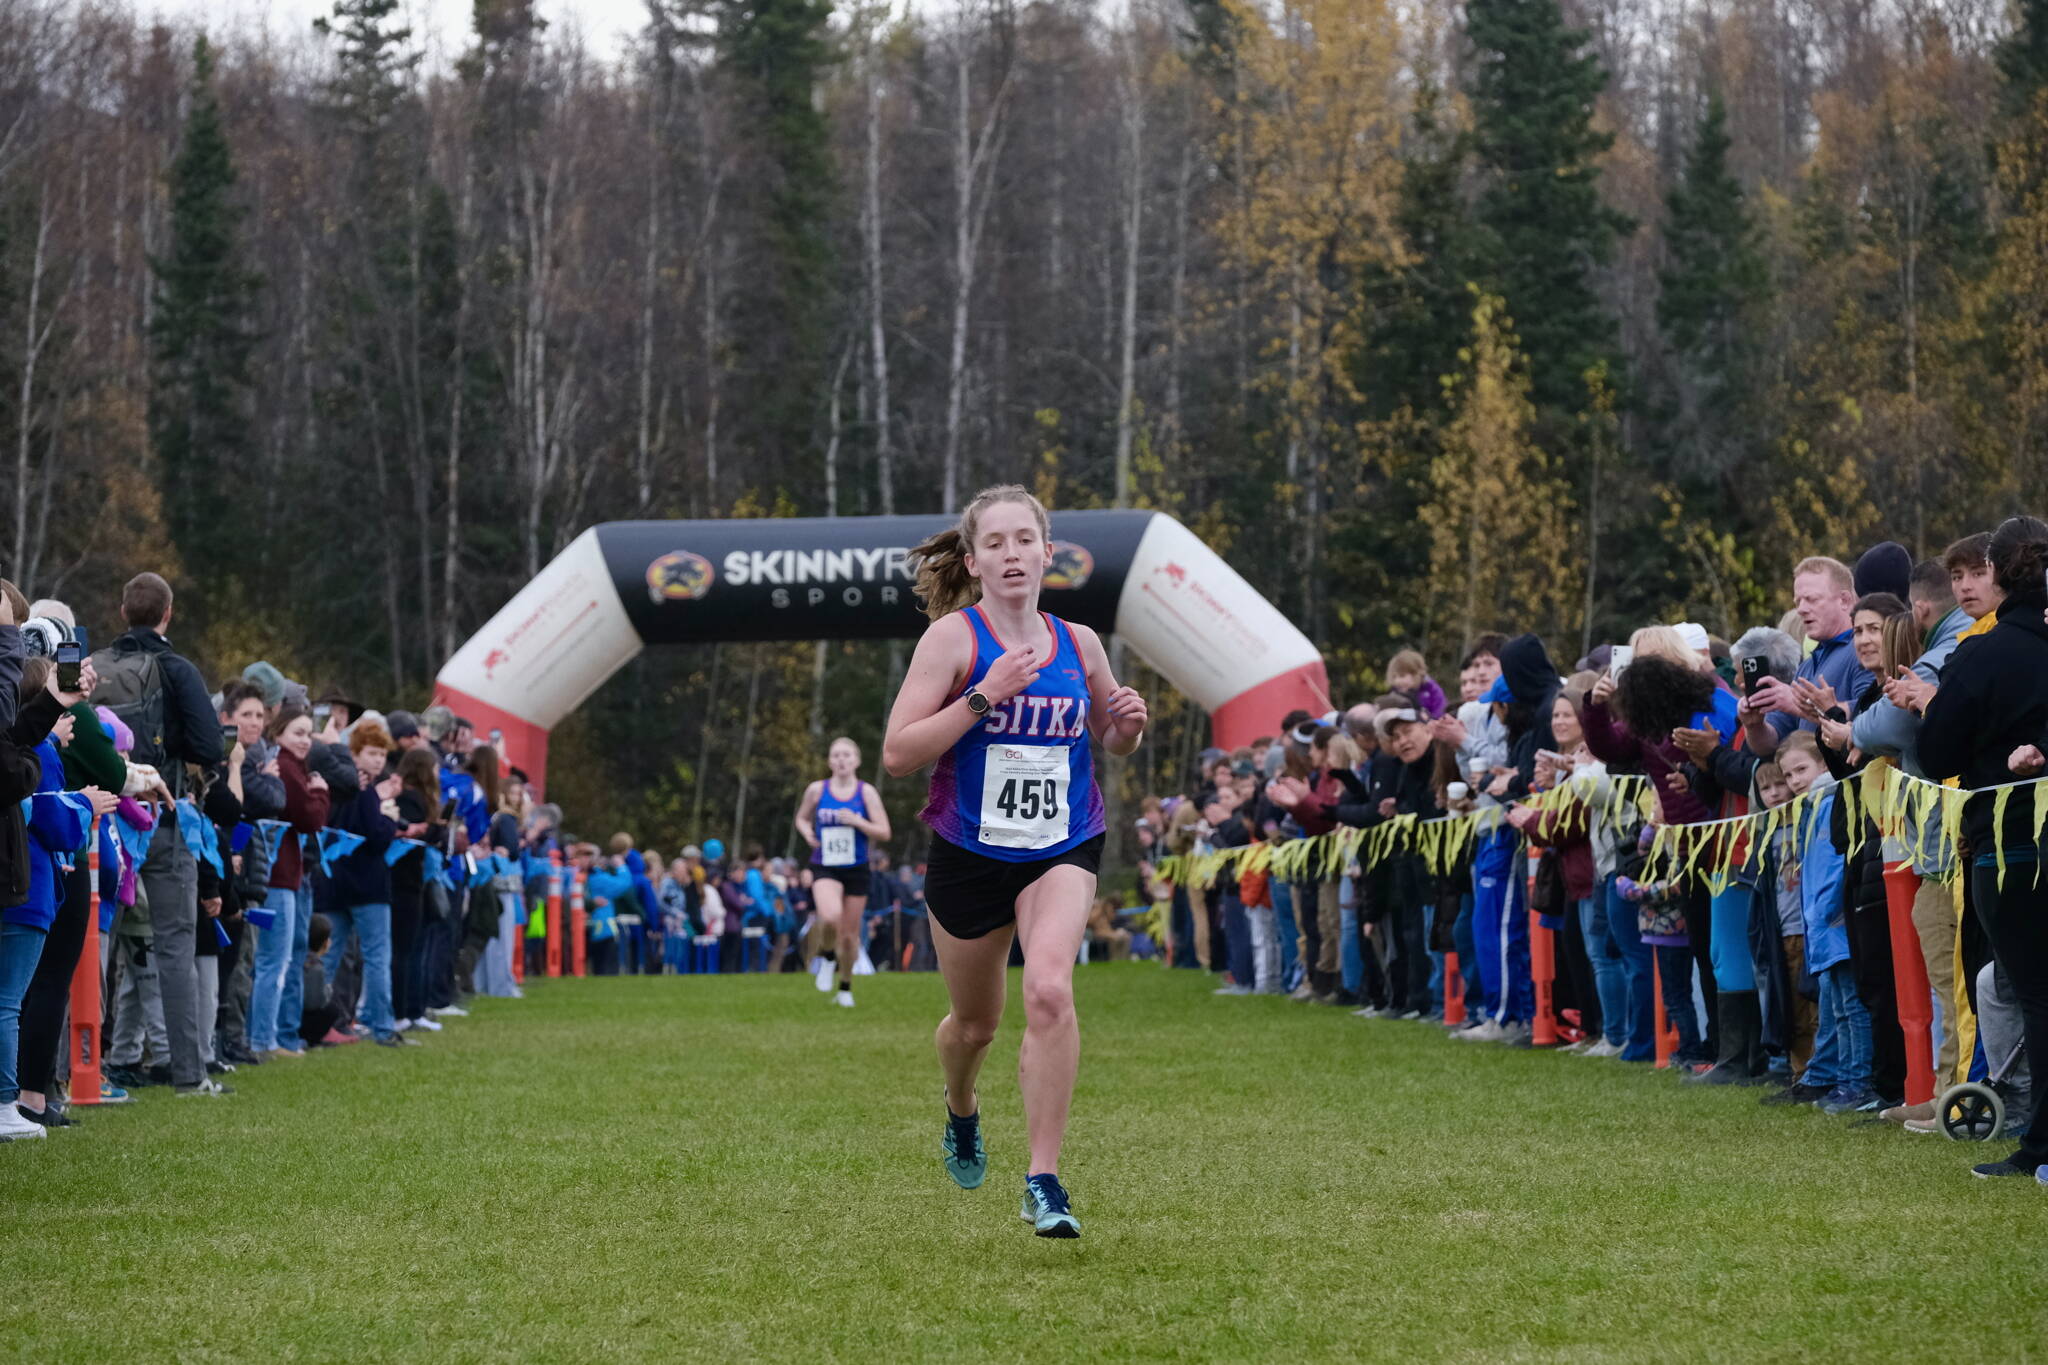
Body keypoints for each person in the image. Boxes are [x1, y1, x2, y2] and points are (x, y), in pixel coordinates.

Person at [883, 484, 1147, 1239]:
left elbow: (1109, 734)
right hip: (969, 854)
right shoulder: (953, 641)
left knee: (1051, 989)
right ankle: (960, 1108)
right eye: (993, 543)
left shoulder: (1081, 642)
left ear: (1046, 552)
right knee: (974, 1026)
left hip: (1062, 844)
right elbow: (899, 754)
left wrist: (1127, 725)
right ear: (972, 559)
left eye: (1022, 540)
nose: (1010, 555)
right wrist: (981, 697)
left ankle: (1043, 1178)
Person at [1920, 516, 2048, 1181]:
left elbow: (1935, 749)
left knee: (2033, 990)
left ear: (1995, 573)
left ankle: (2041, 1143)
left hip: (2011, 841)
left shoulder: (1984, 653)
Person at [90, 572, 223, 1096]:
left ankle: (68, 1073)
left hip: (101, 817)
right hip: (161, 815)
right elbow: (210, 747)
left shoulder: (94, 667)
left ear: (123, 611)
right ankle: (189, 1074)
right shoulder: (176, 668)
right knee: (175, 946)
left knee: (93, 944)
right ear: (168, 613)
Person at [250, 705, 331, 1060]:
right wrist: (321, 792)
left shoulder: (292, 767)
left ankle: (275, 1035)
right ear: (279, 733)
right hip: (276, 875)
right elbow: (309, 817)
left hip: (285, 874)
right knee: (274, 960)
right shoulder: (286, 767)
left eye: (308, 734)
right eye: (298, 732)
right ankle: (264, 1038)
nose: (304, 741)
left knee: (280, 957)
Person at [795, 736, 892, 1007]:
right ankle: (827, 957)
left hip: (856, 867)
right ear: (829, 761)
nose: (841, 760)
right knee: (829, 917)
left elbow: (884, 831)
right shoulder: (817, 790)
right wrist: (807, 833)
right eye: (836, 755)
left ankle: (846, 986)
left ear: (857, 761)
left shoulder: (866, 792)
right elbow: (801, 818)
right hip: (825, 864)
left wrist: (858, 821)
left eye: (847, 755)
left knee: (850, 936)